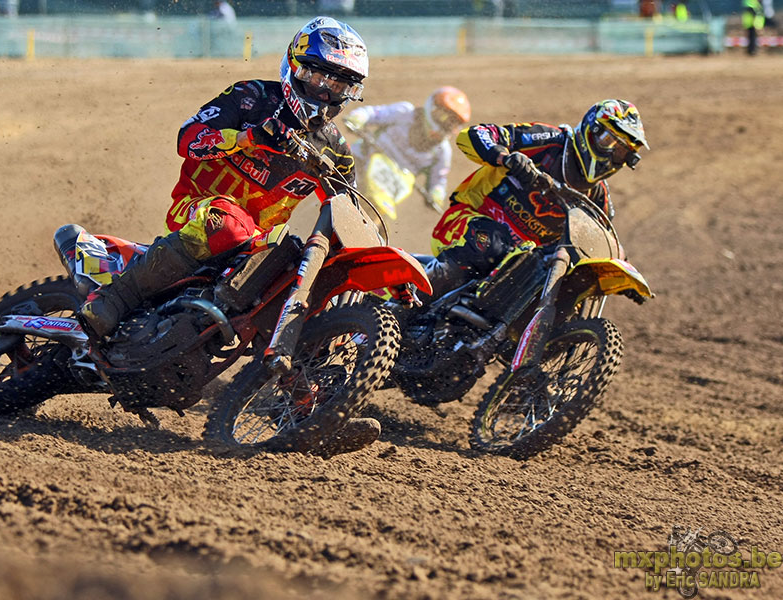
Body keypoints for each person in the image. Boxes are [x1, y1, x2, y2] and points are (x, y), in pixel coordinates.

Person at [80, 16, 379, 453]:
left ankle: (311, 411)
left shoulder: (333, 147)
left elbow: (348, 209)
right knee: (229, 221)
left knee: (297, 278)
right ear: (294, 65)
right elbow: (188, 139)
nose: (324, 91)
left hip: (253, 245)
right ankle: (114, 300)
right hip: (197, 210)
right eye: (317, 75)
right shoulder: (251, 97)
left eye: (338, 84)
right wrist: (248, 137)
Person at [422, 99, 648, 300]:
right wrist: (506, 158)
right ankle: (409, 298)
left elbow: (605, 240)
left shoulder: (597, 197)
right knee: (491, 244)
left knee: (563, 286)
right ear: (591, 130)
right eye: (609, 141)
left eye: (619, 152)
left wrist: (623, 272)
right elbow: (474, 134)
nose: (610, 154)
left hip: (519, 263)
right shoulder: (551, 142)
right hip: (467, 222)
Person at [344, 87, 472, 213]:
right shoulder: (405, 112)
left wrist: (436, 194)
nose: (445, 125)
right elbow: (373, 113)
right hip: (361, 159)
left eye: (451, 123)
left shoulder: (442, 151)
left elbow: (439, 179)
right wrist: (358, 118)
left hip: (392, 185)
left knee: (378, 219)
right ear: (433, 107)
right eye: (443, 117)